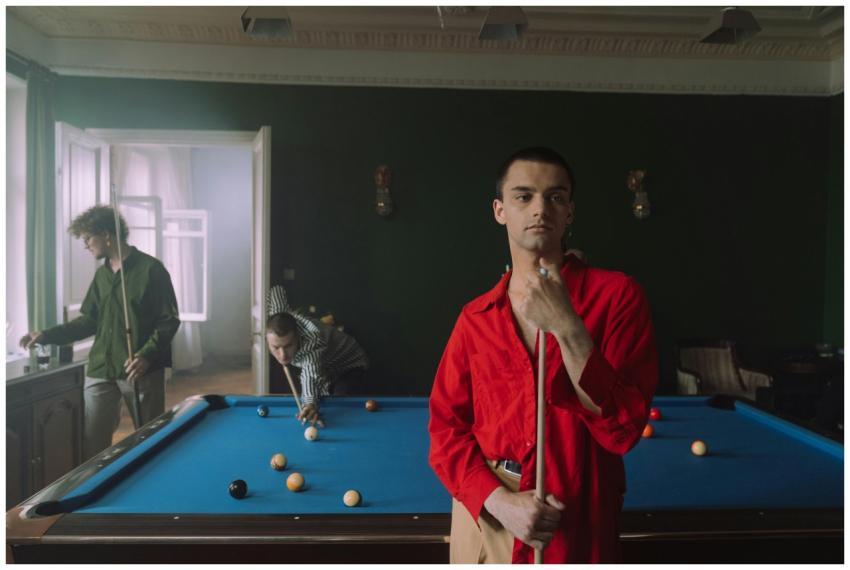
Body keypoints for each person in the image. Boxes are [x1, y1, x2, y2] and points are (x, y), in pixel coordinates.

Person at [428, 147, 658, 563]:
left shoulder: (618, 296)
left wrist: (568, 326)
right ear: (500, 210)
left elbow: (624, 428)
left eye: (555, 197)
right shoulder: (474, 318)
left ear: (569, 211)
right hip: (490, 518)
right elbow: (445, 431)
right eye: (523, 196)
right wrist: (499, 501)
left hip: (576, 518)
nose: (540, 208)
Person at [20, 205, 180, 460]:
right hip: (101, 368)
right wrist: (46, 335)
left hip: (139, 367)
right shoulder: (102, 276)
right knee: (92, 441)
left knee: (151, 439)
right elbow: (88, 322)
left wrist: (146, 355)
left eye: (87, 239)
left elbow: (168, 320)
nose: (86, 246)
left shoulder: (152, 270)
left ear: (106, 235)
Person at [266, 285, 369, 426]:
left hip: (349, 364)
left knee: (339, 405)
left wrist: (309, 404)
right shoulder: (278, 315)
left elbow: (310, 373)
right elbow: (276, 290)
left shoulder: (312, 341)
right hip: (326, 366)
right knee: (323, 395)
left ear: (297, 336)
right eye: (275, 347)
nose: (282, 356)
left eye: (288, 346)